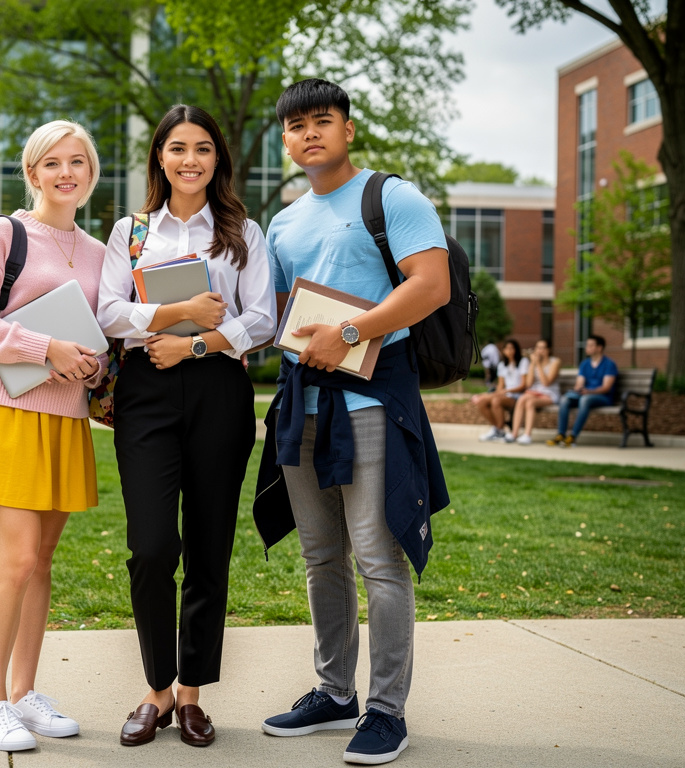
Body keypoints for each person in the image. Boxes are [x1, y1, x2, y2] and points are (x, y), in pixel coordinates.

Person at [258, 79, 449, 765]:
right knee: (320, 557)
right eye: (295, 126)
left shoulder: (390, 197)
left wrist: (347, 329)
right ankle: (334, 692)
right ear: (284, 140)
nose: (309, 134)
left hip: (370, 404)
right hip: (300, 408)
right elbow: (280, 318)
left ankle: (387, 711)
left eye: (322, 121)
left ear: (348, 130)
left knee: (378, 556)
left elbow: (431, 284)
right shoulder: (282, 223)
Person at [97, 104, 276, 749]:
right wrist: (177, 311)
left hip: (218, 393)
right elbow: (108, 311)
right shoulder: (131, 231)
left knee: (208, 547)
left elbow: (262, 320)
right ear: (160, 158)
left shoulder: (243, 233)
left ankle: (193, 694)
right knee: (150, 548)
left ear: (217, 159)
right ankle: (156, 689)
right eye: (178, 148)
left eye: (203, 148)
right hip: (145, 394)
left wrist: (194, 344)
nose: (190, 159)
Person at [0, 120, 106, 753]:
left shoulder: (99, 252)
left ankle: (24, 693)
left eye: (78, 162)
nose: (66, 173)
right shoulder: (4, 233)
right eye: (52, 163)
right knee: (15, 560)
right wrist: (48, 346)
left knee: (42, 562)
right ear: (32, 173)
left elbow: (102, 335)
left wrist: (92, 361)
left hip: (67, 420)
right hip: (8, 413)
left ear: (92, 172)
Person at [547, 334, 618, 447]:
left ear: (599, 348)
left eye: (590, 345)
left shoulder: (609, 364)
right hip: (585, 395)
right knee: (565, 400)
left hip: (603, 397)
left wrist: (588, 392)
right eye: (587, 345)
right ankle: (561, 434)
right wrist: (578, 388)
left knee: (585, 399)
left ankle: (573, 436)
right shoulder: (585, 364)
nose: (587, 347)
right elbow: (579, 383)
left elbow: (606, 388)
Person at [471, 338, 528, 442]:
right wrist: (493, 393)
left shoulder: (523, 362)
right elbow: (500, 386)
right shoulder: (502, 365)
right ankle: (497, 429)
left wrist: (506, 391)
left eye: (512, 348)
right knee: (481, 401)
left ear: (516, 350)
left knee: (496, 400)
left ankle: (499, 430)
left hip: (517, 396)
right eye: (507, 348)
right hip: (505, 395)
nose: (509, 351)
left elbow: (523, 385)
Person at [507, 339, 561, 445]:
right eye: (537, 348)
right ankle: (514, 434)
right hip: (535, 392)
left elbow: (546, 383)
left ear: (548, 350)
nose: (539, 351)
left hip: (549, 393)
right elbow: (529, 384)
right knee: (522, 398)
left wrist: (538, 365)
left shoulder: (555, 362)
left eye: (542, 348)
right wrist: (532, 364)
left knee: (530, 403)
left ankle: (527, 435)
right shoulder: (533, 362)